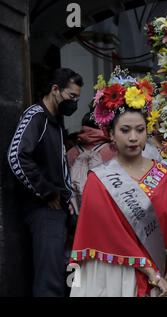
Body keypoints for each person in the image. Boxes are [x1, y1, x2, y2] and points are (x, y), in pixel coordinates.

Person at [69, 69, 167, 297]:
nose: (133, 138)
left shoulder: (161, 175)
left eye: (140, 130)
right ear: (110, 134)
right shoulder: (98, 179)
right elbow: (106, 233)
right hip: (113, 272)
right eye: (125, 130)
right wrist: (149, 271)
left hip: (156, 268)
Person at [7, 68, 83, 296]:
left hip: (59, 210)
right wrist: (47, 192)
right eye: (72, 97)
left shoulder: (55, 121)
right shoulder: (36, 116)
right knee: (49, 281)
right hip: (44, 210)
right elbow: (16, 156)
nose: (75, 103)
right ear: (55, 90)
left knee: (68, 276)